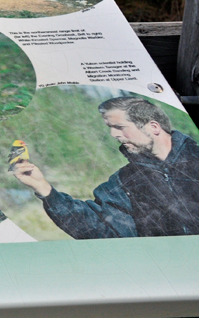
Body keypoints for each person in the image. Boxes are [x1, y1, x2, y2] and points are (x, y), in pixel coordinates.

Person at [11, 97, 199, 239]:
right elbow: (100, 229)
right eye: (110, 128)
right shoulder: (123, 181)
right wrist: (44, 189)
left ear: (153, 127)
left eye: (119, 127)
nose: (113, 134)